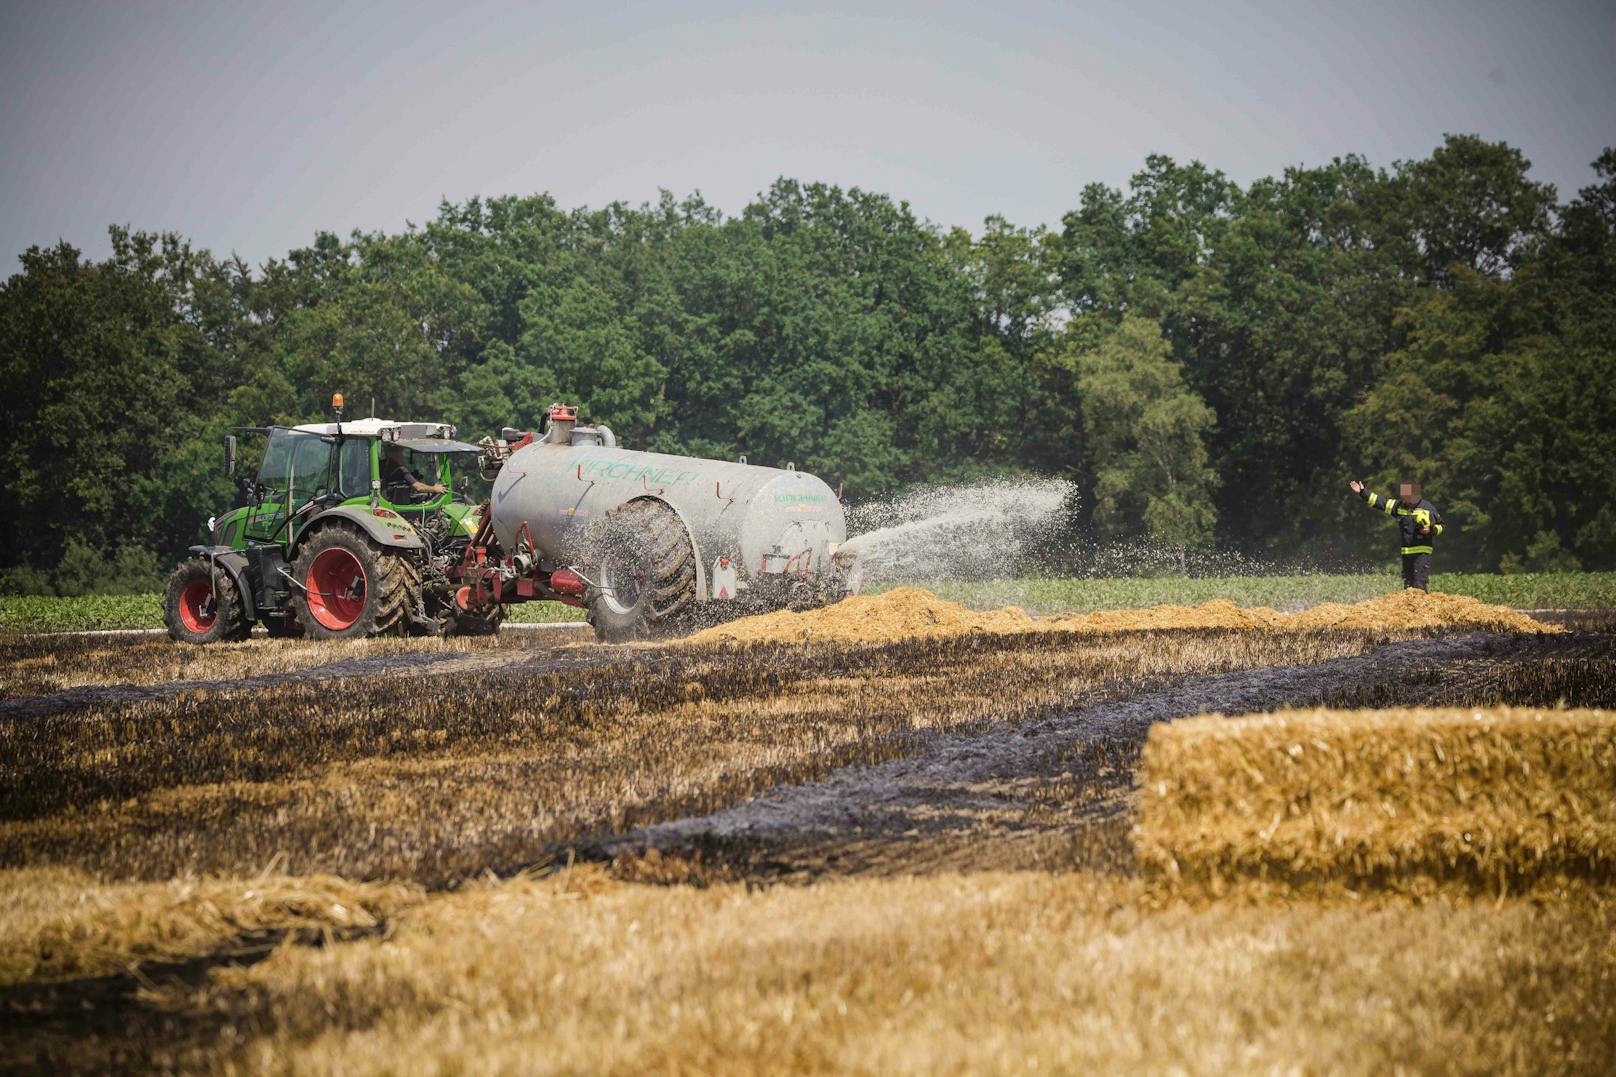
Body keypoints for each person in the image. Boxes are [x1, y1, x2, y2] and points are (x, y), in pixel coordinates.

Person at [1348, 478, 1444, 591]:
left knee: (1419, 584)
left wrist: (1430, 530)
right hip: (1406, 553)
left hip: (1421, 553)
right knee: (1408, 586)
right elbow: (1380, 502)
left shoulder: (1428, 508)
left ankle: (1422, 607)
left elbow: (1441, 526)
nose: (1404, 499)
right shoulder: (1399, 506)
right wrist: (1362, 492)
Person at [382, 444, 446, 502]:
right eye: (400, 452)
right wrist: (434, 489)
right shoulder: (399, 469)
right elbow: (419, 487)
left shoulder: (383, 465)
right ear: (392, 454)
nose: (401, 455)